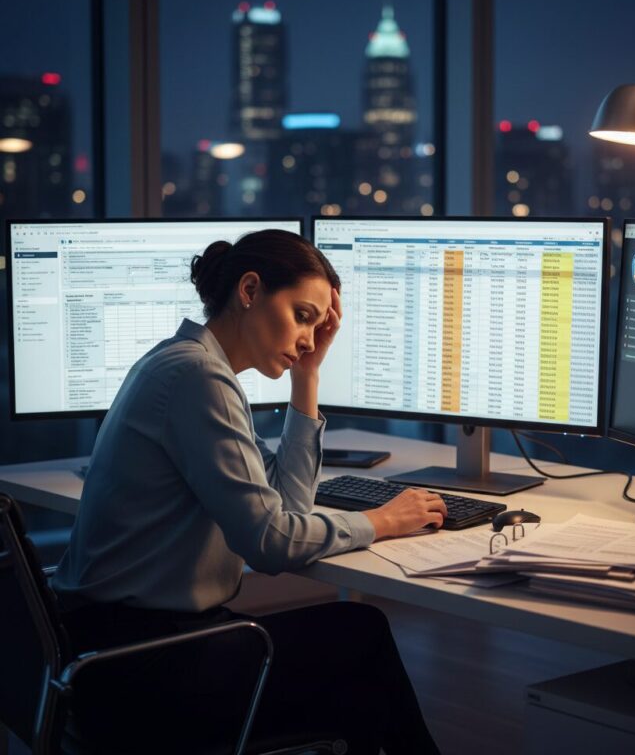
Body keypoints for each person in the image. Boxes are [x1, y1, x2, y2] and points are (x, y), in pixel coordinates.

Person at [52, 229, 444, 754]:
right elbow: (271, 542)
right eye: (302, 316)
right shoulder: (199, 378)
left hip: (112, 650)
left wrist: (307, 377)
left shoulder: (188, 363)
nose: (309, 339)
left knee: (356, 668)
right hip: (142, 664)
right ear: (251, 290)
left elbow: (288, 506)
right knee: (361, 637)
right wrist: (384, 521)